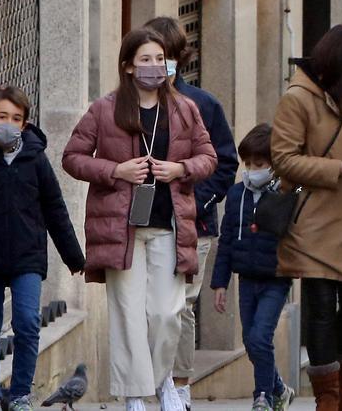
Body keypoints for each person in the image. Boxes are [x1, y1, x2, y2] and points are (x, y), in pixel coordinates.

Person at [63, 28, 218, 411]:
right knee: (128, 315)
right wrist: (116, 171)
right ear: (129, 66)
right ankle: (135, 395)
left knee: (167, 313)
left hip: (171, 225)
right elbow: (73, 157)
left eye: (159, 59)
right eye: (144, 59)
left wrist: (180, 168)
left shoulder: (184, 108)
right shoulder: (105, 108)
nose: (153, 67)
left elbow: (209, 156)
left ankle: (163, 379)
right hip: (122, 229)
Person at [271, 24, 342, 411]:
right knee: (320, 308)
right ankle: (328, 397)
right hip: (315, 220)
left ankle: (339, 382)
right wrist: (340, 169)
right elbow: (283, 159)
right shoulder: (298, 99)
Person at [0, 86, 86, 411]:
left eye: (16, 118)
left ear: (24, 124)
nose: (8, 123)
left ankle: (22, 394)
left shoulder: (35, 160)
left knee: (26, 322)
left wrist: (73, 256)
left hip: (28, 258)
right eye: (2, 117)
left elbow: (55, 208)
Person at [144, 16, 240, 409]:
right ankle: (153, 380)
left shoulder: (203, 104)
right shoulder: (130, 105)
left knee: (181, 304)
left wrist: (198, 201)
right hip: (146, 225)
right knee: (151, 307)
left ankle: (179, 387)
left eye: (166, 57)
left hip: (195, 226)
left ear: (179, 58)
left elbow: (226, 163)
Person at [211, 124, 294, 411]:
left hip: (276, 278)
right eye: (247, 164)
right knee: (250, 340)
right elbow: (227, 240)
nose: (251, 169)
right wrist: (220, 284)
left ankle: (263, 396)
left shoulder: (285, 194)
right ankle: (280, 388)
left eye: (258, 164)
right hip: (246, 278)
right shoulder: (236, 196)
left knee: (260, 337)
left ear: (273, 165)